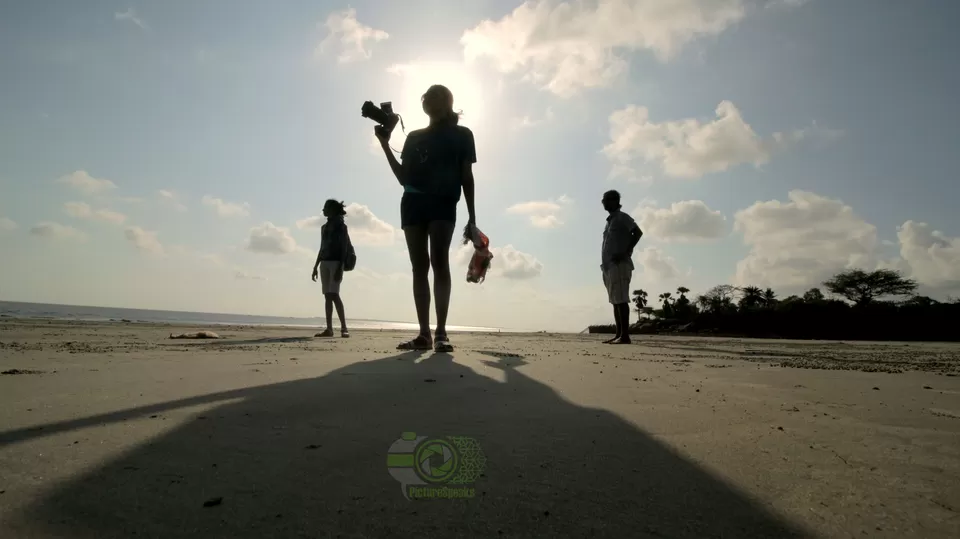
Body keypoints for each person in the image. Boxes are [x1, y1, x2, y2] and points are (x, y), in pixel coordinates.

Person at [375, 84, 477, 353]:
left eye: (436, 97)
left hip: (443, 202)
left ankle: (441, 332)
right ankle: (424, 334)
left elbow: (466, 177)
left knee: (439, 260)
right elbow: (402, 178)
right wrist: (385, 145)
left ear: (447, 103)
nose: (430, 101)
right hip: (412, 202)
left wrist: (472, 216)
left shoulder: (462, 135)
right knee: (418, 266)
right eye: (427, 98)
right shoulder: (414, 137)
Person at [600, 190, 643, 344]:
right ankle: (618, 334)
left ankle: (625, 336)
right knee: (615, 300)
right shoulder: (610, 221)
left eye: (605, 199)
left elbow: (637, 232)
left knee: (621, 298)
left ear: (614, 200)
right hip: (609, 266)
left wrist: (626, 252)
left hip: (619, 264)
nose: (602, 202)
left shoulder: (622, 217)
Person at [311, 199, 352, 338]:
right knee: (327, 296)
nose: (323, 210)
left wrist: (340, 267)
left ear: (333, 210)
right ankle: (329, 329)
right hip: (324, 262)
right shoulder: (324, 227)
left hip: (336, 263)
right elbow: (322, 247)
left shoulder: (341, 226)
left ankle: (344, 328)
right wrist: (315, 266)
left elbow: (344, 247)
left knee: (334, 295)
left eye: (326, 208)